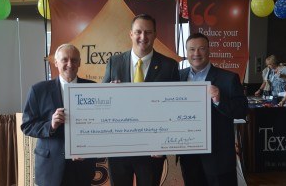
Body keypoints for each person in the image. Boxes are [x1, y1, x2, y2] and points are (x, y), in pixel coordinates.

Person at [102, 14, 180, 186]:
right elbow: (102, 103)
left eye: (148, 32)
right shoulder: (114, 62)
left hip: (153, 149)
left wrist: (164, 144)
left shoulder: (169, 66)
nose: (143, 37)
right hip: (119, 147)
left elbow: (175, 109)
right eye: (138, 32)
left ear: (155, 34)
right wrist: (109, 94)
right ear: (131, 34)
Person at [21, 44, 96, 186]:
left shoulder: (92, 88)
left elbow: (100, 124)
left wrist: (114, 91)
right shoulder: (38, 90)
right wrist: (51, 125)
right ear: (55, 62)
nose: (70, 64)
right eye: (64, 60)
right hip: (50, 167)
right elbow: (27, 125)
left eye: (74, 60)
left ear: (79, 62)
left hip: (82, 166)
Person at [179, 33, 248, 186]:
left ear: (209, 51)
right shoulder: (178, 77)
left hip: (219, 158)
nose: (196, 54)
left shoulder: (228, 78)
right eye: (191, 49)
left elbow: (242, 110)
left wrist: (219, 100)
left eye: (201, 49)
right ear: (186, 52)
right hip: (189, 156)